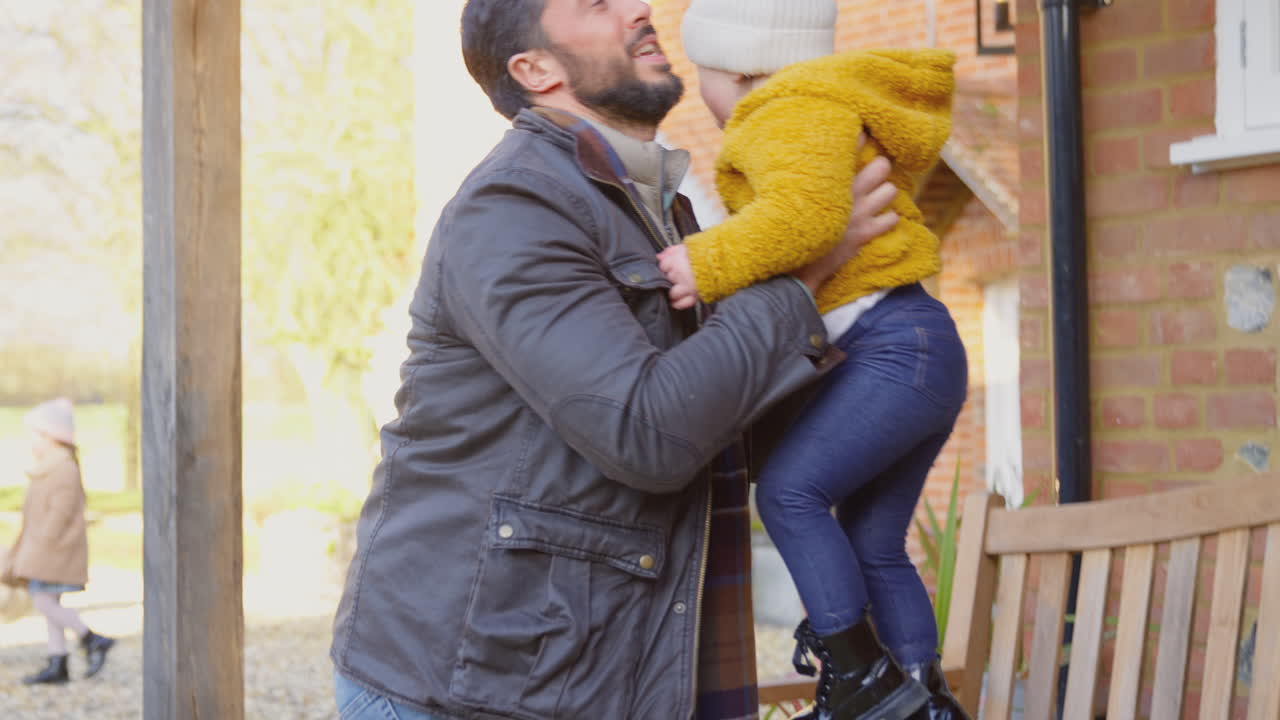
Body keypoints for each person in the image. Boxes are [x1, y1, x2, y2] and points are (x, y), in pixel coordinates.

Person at [328, 1, 906, 718]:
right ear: (533, 69)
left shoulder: (653, 209)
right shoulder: (515, 206)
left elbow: (718, 410)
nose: (639, 8)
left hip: (583, 674)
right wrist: (805, 274)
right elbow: (646, 434)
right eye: (597, 2)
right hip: (467, 688)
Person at [661, 2, 970, 719]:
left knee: (789, 495)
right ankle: (921, 697)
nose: (699, 95)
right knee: (872, 540)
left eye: (700, 75)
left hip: (891, 346)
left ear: (738, 70)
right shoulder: (821, 106)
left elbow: (802, 220)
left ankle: (859, 677)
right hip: (917, 346)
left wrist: (699, 263)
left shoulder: (784, 110)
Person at [2, 398, 114, 684]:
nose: (32, 442)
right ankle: (58, 662)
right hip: (43, 550)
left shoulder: (64, 470)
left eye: (36, 435)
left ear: (53, 437)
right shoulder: (47, 469)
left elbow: (59, 515)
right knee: (49, 605)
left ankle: (92, 638)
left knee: (42, 602)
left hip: (52, 552)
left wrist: (37, 549)